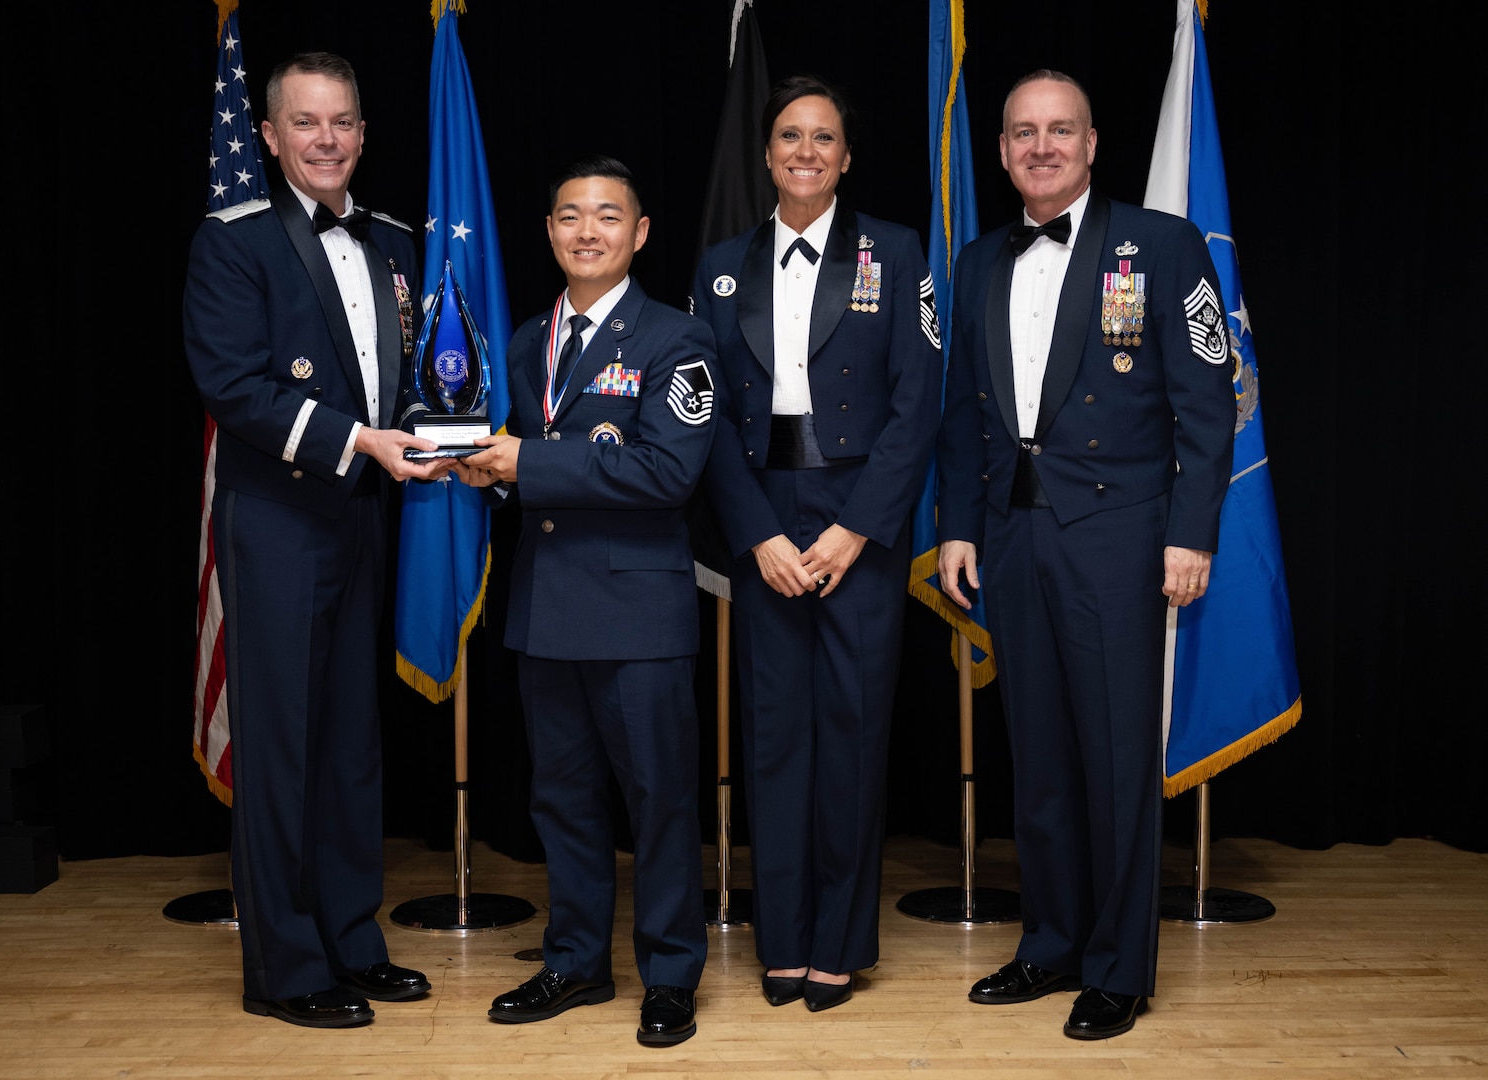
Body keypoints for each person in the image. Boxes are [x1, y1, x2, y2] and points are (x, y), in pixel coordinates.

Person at [934, 70, 1235, 1040]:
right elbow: (967, 417)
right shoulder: (980, 260)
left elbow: (1206, 400)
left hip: (1120, 536)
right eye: (1023, 132)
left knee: (1111, 759)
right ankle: (1050, 944)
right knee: (1043, 759)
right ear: (1003, 149)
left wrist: (1191, 533)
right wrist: (960, 525)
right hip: (1013, 537)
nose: (1042, 146)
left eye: (1060, 130)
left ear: (1094, 142)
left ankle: (1118, 967)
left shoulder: (1162, 244)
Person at [182, 51, 455, 1029]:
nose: (327, 139)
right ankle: (286, 968)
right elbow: (234, 386)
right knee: (281, 751)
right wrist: (360, 441)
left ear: (363, 132)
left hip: (364, 521)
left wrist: (442, 430)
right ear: (268, 135)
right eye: (307, 123)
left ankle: (351, 939)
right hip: (279, 523)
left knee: (350, 746)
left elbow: (415, 369)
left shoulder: (392, 241)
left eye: (342, 122)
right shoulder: (233, 241)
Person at [690, 75, 943, 1012]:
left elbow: (918, 408)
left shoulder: (897, 251)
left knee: (853, 734)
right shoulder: (720, 266)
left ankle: (840, 941)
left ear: (846, 156)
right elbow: (700, 416)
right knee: (773, 741)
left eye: (823, 138)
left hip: (858, 518)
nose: (805, 151)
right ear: (766, 153)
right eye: (789, 136)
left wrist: (856, 530)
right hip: (762, 514)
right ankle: (783, 940)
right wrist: (754, 533)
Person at [453, 156, 715, 1047]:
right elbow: (525, 469)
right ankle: (574, 963)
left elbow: (667, 472)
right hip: (548, 606)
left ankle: (671, 977)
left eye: (608, 217)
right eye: (570, 216)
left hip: (639, 616)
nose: (587, 232)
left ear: (639, 235)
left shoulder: (676, 338)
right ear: (551, 231)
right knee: (561, 802)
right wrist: (474, 468)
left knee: (661, 803)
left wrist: (524, 461)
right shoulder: (525, 341)